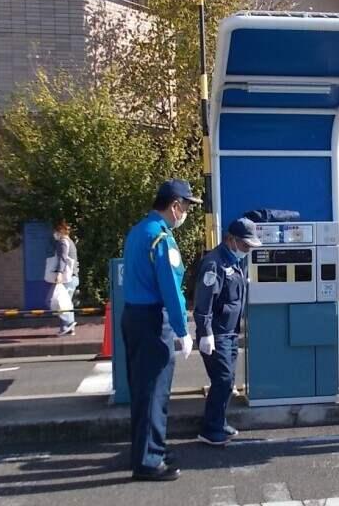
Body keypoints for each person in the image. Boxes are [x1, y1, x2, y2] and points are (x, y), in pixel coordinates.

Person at [121, 178, 201, 481]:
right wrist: (183, 330)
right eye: (187, 208)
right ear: (175, 206)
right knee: (154, 392)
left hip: (134, 316)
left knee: (143, 391)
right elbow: (170, 287)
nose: (186, 215)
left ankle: (149, 448)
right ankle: (148, 462)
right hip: (153, 320)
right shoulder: (160, 238)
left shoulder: (139, 230)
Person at [193, 217, 261, 446]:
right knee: (222, 379)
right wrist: (205, 332)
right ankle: (210, 429)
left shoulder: (234, 262)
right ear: (230, 240)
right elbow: (204, 301)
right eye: (245, 245)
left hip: (230, 332)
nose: (247, 250)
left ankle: (219, 422)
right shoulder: (215, 263)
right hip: (217, 333)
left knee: (227, 380)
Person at [51, 220, 79, 337]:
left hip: (67, 277)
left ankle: (67, 326)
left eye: (56, 231)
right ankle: (68, 327)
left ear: (61, 231)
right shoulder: (70, 242)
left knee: (59, 303)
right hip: (73, 277)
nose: (54, 234)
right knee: (66, 303)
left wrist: (59, 273)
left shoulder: (63, 242)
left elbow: (62, 258)